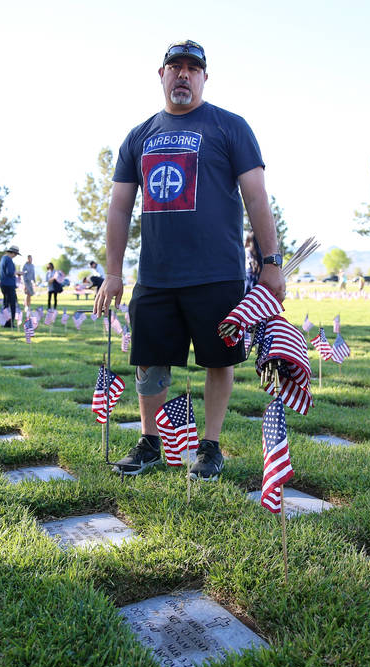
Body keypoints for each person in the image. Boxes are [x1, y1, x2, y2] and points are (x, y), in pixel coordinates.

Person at [93, 40, 285, 481]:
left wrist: (271, 261)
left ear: (204, 77)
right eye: (175, 67)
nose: (183, 75)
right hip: (157, 276)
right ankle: (150, 442)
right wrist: (113, 272)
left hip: (216, 273)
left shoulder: (230, 127)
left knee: (218, 361)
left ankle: (211, 447)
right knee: (150, 360)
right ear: (159, 74)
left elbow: (256, 196)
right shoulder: (139, 136)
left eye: (192, 68)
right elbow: (120, 207)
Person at [0, 246, 19, 326]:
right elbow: (10, 272)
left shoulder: (3, 258)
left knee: (6, 303)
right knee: (12, 304)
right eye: (16, 254)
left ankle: (6, 321)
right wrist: (17, 273)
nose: (16, 256)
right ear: (13, 253)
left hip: (3, 284)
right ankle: (10, 323)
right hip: (9, 285)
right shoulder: (9, 260)